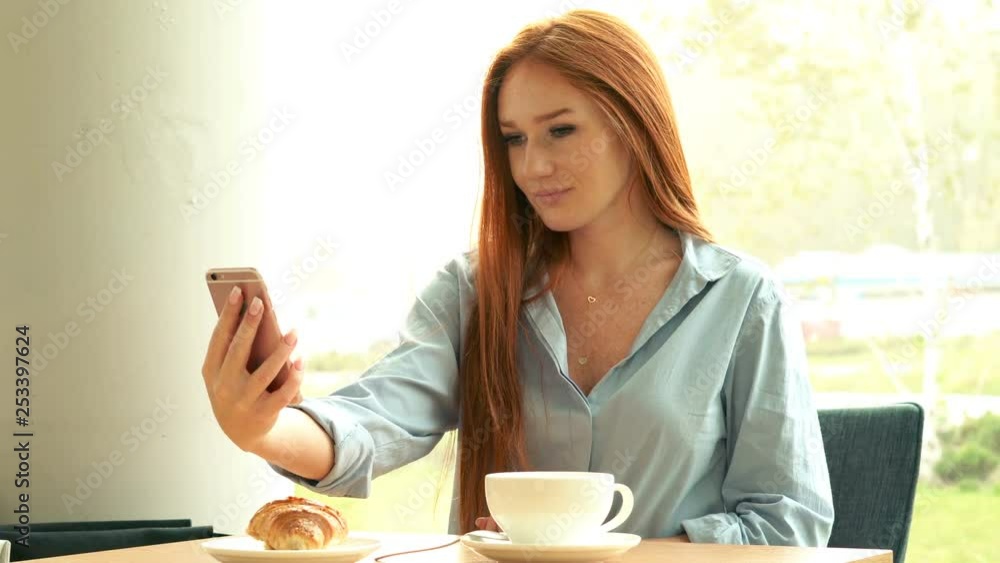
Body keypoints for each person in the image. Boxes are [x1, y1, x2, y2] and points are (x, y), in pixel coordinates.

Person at [201, 9, 834, 546]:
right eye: (513, 139)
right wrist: (263, 429)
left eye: (561, 130)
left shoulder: (740, 299)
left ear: (633, 125)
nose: (533, 166)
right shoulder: (473, 290)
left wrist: (617, 552)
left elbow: (788, 523)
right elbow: (378, 421)